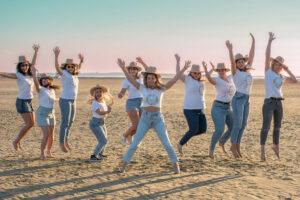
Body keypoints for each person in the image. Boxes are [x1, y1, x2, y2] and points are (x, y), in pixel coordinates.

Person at [117, 58, 191, 173]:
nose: (150, 79)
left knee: (166, 143)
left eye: (152, 78)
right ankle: (123, 165)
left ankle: (176, 164)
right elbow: (130, 79)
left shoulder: (161, 88)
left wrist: (183, 69)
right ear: (146, 79)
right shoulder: (142, 88)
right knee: (135, 144)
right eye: (148, 78)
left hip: (157, 119)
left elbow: (174, 79)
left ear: (156, 79)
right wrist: (123, 68)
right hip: (145, 118)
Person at [260, 32, 297, 161]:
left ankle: (276, 146)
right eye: (276, 63)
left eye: (280, 65)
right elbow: (266, 55)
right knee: (266, 127)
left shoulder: (281, 76)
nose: (278, 66)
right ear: (273, 64)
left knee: (277, 127)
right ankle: (262, 151)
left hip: (279, 103)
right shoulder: (268, 72)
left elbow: (295, 80)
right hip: (269, 102)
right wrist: (270, 41)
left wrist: (286, 69)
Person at [219, 33, 255, 158]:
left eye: (242, 62)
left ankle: (237, 145)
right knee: (238, 124)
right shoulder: (236, 73)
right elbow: (231, 61)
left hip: (247, 99)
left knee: (243, 124)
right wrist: (230, 50)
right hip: (238, 98)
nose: (240, 63)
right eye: (238, 62)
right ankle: (233, 146)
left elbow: (251, 56)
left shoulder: (247, 70)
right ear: (236, 64)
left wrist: (253, 42)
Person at [0, 44, 39, 151]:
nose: (25, 67)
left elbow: (33, 63)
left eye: (26, 65)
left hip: (29, 101)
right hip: (22, 101)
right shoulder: (19, 75)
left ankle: (17, 141)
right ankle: (15, 141)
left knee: (31, 124)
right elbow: (6, 74)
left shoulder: (30, 74)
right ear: (19, 67)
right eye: (22, 65)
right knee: (29, 123)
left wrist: (36, 52)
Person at [53, 46, 84, 152]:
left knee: (71, 121)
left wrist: (81, 61)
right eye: (68, 66)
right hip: (65, 100)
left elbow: (78, 67)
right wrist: (56, 55)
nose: (70, 68)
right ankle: (61, 143)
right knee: (65, 122)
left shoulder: (75, 75)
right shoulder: (65, 74)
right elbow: (57, 67)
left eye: (72, 66)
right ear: (65, 67)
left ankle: (66, 140)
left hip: (73, 100)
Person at [175, 54, 207, 155]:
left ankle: (187, 137)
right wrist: (178, 62)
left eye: (198, 73)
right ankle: (180, 144)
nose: (196, 74)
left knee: (203, 129)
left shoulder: (201, 82)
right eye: (194, 73)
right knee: (193, 129)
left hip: (200, 109)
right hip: (189, 109)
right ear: (191, 73)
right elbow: (178, 74)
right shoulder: (187, 79)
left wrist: (208, 69)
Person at [203, 62, 236, 159]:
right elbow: (209, 79)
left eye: (223, 70)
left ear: (226, 70)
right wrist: (206, 70)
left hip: (228, 107)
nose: (222, 71)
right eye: (219, 70)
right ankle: (211, 149)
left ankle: (222, 142)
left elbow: (236, 69)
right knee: (219, 129)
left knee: (233, 128)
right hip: (218, 107)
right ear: (218, 71)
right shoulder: (217, 80)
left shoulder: (231, 78)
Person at [31, 66, 59, 160]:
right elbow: (35, 82)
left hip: (52, 113)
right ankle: (42, 153)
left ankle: (49, 151)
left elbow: (54, 100)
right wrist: (34, 75)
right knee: (46, 134)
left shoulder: (52, 90)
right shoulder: (40, 89)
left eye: (46, 79)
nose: (44, 80)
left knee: (52, 135)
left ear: (49, 80)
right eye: (42, 79)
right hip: (42, 113)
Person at [118, 61, 143, 145]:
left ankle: (130, 136)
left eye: (134, 69)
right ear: (128, 70)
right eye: (131, 69)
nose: (133, 70)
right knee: (136, 124)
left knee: (142, 125)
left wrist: (142, 61)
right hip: (131, 102)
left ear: (137, 70)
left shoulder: (141, 78)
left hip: (142, 102)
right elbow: (123, 91)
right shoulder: (126, 81)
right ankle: (125, 135)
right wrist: (121, 94)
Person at [89, 84, 113, 161]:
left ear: (103, 93)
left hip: (102, 122)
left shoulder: (103, 101)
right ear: (94, 94)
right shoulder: (94, 103)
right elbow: (99, 113)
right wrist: (108, 111)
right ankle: (94, 156)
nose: (98, 93)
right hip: (95, 123)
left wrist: (109, 107)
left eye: (100, 92)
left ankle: (100, 154)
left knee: (105, 140)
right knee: (103, 141)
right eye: (97, 92)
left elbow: (105, 111)